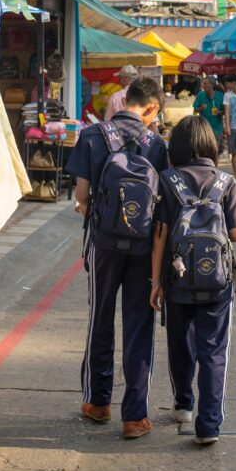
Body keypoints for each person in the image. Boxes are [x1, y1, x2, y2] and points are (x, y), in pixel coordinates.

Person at [67, 78, 168, 438]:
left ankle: (97, 402)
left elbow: (82, 197)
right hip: (144, 249)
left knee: (100, 317)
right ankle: (135, 416)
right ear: (152, 108)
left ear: (126, 99)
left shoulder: (94, 136)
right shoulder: (157, 144)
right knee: (139, 325)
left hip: (104, 244)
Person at [150, 115, 236, 445]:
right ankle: (209, 426)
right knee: (214, 350)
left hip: (177, 279)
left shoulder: (168, 179)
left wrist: (156, 282)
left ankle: (183, 406)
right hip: (217, 283)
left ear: (176, 147)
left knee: (180, 343)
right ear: (211, 145)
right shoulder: (226, 182)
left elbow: (161, 235)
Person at [193, 77, 225, 154]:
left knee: (216, 152)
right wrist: (200, 108)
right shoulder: (200, 95)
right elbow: (195, 110)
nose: (203, 85)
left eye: (205, 83)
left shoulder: (221, 95)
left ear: (212, 85)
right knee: (205, 152)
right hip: (204, 129)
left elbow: (225, 111)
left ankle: (214, 166)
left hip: (217, 129)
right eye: (203, 83)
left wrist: (219, 112)